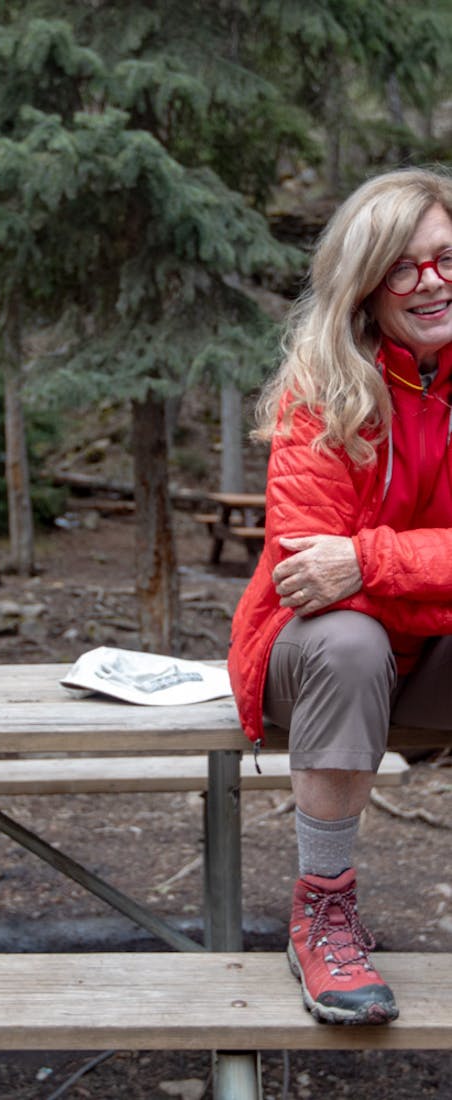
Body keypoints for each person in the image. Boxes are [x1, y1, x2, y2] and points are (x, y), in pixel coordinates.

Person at [228, 166, 452, 1026]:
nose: (430, 282)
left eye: (445, 258)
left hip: (425, 662)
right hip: (318, 666)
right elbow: (307, 577)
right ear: (364, 283)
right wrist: (414, 578)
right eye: (402, 266)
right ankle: (323, 912)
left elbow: (345, 566)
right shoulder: (319, 389)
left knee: (359, 612)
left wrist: (369, 562)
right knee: (349, 639)